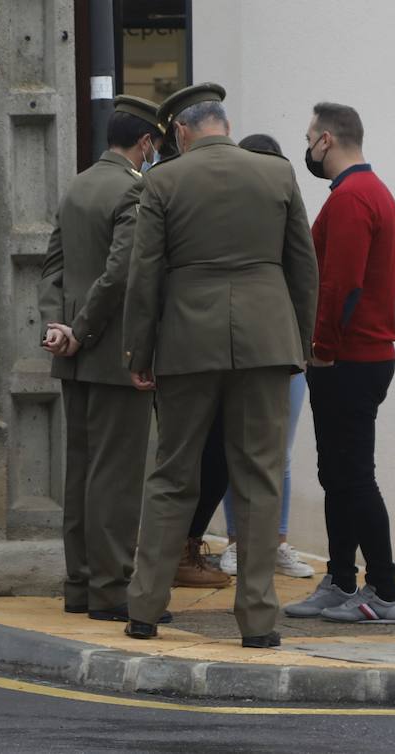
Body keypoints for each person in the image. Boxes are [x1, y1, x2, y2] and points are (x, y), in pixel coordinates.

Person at [120, 83, 317, 647]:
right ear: (224, 125)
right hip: (265, 342)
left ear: (179, 131)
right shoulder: (277, 174)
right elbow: (304, 267)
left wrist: (139, 351)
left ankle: (146, 608)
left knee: (171, 476)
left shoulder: (162, 179)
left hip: (187, 343)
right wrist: (299, 342)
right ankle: (257, 619)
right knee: (258, 477)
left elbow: (145, 275)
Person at [38, 94, 164, 622]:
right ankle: (110, 589)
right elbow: (121, 276)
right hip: (113, 353)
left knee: (81, 472)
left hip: (72, 353)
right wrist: (83, 331)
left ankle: (79, 583)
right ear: (144, 143)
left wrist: (57, 327)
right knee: (115, 477)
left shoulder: (79, 185)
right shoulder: (134, 191)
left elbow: (51, 267)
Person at [283, 102, 395, 624]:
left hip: (350, 360)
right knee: (336, 472)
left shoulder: (354, 198)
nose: (307, 145)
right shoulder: (363, 193)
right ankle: (340, 580)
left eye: (310, 136)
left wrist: (323, 349)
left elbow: (340, 285)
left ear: (327, 140)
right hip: (355, 357)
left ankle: (385, 591)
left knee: (354, 476)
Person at [215, 133, 314, 582]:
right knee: (239, 448)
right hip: (234, 348)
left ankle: (275, 541)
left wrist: (304, 348)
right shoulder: (232, 218)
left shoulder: (287, 214)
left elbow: (306, 276)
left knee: (281, 454)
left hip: (283, 349)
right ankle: (237, 542)